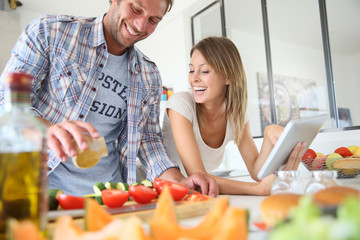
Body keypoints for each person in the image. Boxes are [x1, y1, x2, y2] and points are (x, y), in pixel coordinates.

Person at [0, 0, 218, 196]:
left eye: (153, 20)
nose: (140, 26)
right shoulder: (50, 32)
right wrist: (46, 130)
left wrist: (180, 180)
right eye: (135, 8)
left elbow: (149, 142)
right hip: (41, 194)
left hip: (109, 198)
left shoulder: (149, 75)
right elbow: (5, 100)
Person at [161, 36, 305, 195]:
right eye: (191, 70)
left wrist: (269, 135)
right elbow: (198, 176)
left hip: (188, 197)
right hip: (154, 190)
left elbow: (257, 172)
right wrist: (257, 189)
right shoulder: (181, 104)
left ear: (227, 77)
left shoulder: (236, 116)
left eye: (204, 71)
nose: (194, 78)